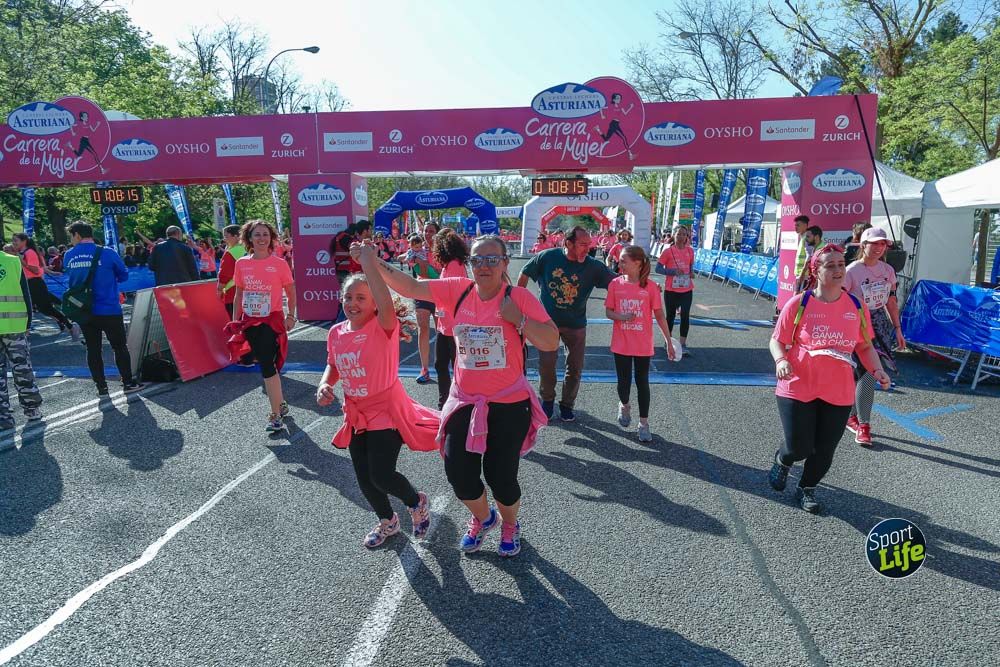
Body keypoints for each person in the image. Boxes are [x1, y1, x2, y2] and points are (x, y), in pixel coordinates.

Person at [362, 234, 558, 557]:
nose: (483, 266)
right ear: (470, 265)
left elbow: (550, 341)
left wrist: (519, 320)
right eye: (477, 259)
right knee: (458, 472)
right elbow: (411, 287)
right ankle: (484, 518)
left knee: (501, 476)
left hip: (508, 404)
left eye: (492, 259)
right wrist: (372, 260)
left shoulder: (518, 298)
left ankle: (510, 525)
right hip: (466, 400)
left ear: (505, 263)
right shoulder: (458, 290)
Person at [317, 247, 439, 549]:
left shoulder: (383, 326)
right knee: (365, 479)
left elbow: (386, 300)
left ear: (374, 303)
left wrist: (368, 263)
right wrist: (324, 384)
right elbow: (334, 365)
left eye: (361, 298)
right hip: (356, 412)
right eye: (348, 297)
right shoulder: (336, 332)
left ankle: (416, 501)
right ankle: (388, 521)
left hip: (386, 409)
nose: (353, 303)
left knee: (382, 475)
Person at [768, 244, 890, 513]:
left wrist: (877, 369)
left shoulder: (856, 306)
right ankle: (783, 459)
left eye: (840, 264)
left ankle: (806, 488)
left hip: (838, 390)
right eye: (830, 265)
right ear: (816, 271)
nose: (838, 269)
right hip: (798, 385)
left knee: (824, 449)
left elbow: (865, 346)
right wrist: (781, 360)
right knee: (799, 447)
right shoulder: (800, 303)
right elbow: (777, 341)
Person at [518, 225, 616, 421]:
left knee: (576, 366)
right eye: (582, 244)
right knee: (547, 365)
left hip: (576, 324)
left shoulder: (593, 265)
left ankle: (567, 405)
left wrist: (644, 284)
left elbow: (617, 283)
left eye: (589, 244)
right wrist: (519, 302)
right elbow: (525, 272)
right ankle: (547, 401)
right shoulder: (547, 257)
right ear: (567, 243)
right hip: (547, 324)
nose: (587, 248)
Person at [226, 221, 297, 432]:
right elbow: (239, 294)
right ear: (249, 238)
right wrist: (235, 321)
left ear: (271, 238)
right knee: (267, 365)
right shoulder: (242, 264)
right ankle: (281, 404)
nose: (261, 238)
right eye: (257, 235)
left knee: (267, 365)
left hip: (271, 321)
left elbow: (291, 292)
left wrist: (291, 315)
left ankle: (275, 415)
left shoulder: (279, 264)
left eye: (265, 234)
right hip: (250, 321)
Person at [63, 221, 144, 396]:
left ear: (77, 234)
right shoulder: (107, 252)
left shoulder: (69, 255)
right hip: (109, 308)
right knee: (119, 347)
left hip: (85, 310)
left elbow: (70, 277)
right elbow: (123, 275)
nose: (71, 240)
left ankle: (101, 387)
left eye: (71, 236)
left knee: (93, 349)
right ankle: (128, 383)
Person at [843, 227, 906, 447]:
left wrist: (897, 328)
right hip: (854, 322)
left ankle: (860, 421)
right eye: (875, 244)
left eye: (883, 244)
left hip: (879, 323)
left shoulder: (888, 270)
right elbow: (839, 300)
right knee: (857, 371)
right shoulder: (851, 271)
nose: (879, 248)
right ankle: (861, 423)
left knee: (868, 373)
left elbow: (891, 301)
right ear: (863, 245)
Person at [605, 246, 674, 442]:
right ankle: (624, 405)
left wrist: (668, 341)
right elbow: (608, 311)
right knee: (623, 383)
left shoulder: (650, 287)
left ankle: (644, 423)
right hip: (621, 343)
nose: (620, 264)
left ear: (637, 263)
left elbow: (659, 315)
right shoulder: (615, 284)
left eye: (624, 260)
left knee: (642, 382)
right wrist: (621, 316)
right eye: (619, 260)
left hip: (643, 343)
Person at [0, 247, 43, 428]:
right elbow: (26, 294)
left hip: (13, 326)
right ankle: (31, 408)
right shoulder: (13, 261)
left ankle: (3, 417)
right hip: (15, 326)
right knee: (22, 368)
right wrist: (28, 324)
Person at [431, 228, 470, 409]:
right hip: (445, 324)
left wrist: (430, 290)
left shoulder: (454, 265)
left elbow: (453, 293)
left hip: (454, 325)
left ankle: (455, 401)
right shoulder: (451, 264)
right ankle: (444, 401)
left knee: (457, 367)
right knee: (441, 364)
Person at [11, 233, 77, 337]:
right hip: (27, 283)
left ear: (24, 241)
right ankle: (23, 330)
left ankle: (71, 325)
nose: (13, 243)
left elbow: (36, 270)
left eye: (15, 240)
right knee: (30, 307)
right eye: (12, 240)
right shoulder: (21, 252)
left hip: (35, 283)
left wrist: (21, 261)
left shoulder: (30, 252)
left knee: (46, 308)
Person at [656, 225, 696, 357]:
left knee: (685, 315)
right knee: (671, 316)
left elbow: (691, 266)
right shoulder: (668, 251)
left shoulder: (690, 251)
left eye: (684, 234)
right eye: (679, 234)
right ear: (674, 235)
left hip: (686, 288)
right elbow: (658, 268)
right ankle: (668, 342)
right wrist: (672, 271)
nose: (681, 237)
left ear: (687, 237)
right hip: (671, 289)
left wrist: (691, 273)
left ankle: (683, 344)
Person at [410, 222, 442, 384]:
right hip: (421, 291)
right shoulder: (417, 249)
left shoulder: (442, 251)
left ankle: (443, 366)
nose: (427, 234)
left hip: (439, 294)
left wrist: (428, 267)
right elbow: (407, 261)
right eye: (425, 231)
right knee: (423, 329)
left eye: (431, 231)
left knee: (441, 331)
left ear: (437, 233)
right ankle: (424, 369)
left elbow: (442, 273)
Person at [795, 224, 823, 293]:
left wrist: (798, 287)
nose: (806, 239)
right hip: (809, 282)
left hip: (814, 285)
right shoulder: (813, 248)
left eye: (808, 237)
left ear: (816, 237)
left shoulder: (821, 251)